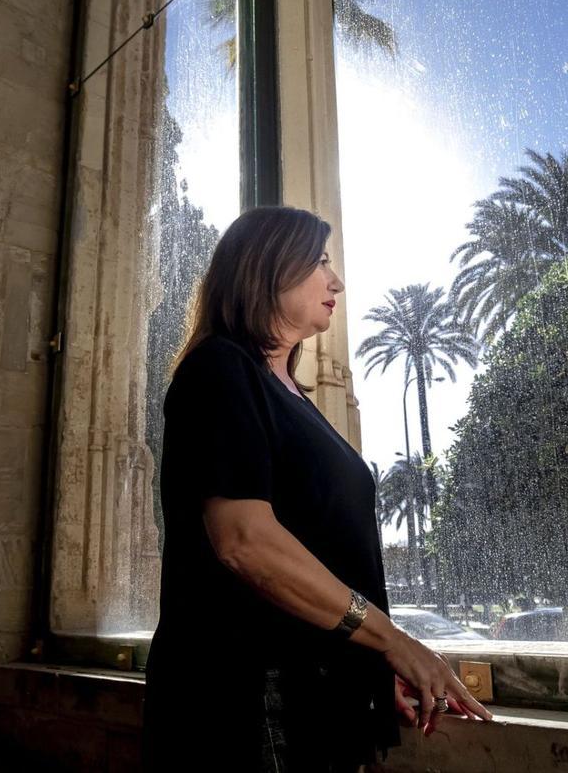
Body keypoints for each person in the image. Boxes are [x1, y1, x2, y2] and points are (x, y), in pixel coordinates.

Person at [142, 206, 492, 772]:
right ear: (267, 266)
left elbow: (325, 545)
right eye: (320, 261)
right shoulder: (220, 368)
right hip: (251, 701)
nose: (337, 281)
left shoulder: (295, 397)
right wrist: (393, 641)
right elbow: (245, 542)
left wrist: (372, 667)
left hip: (316, 698)